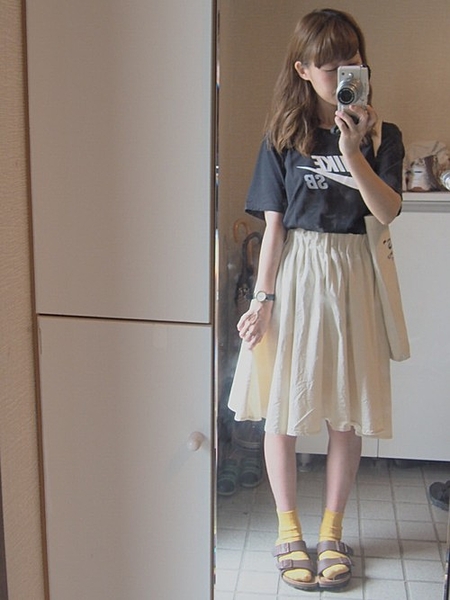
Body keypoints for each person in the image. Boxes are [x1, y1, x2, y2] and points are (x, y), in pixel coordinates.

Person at [228, 8, 404, 592]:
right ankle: (288, 531)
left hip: (355, 275)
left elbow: (387, 211)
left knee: (345, 408)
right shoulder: (283, 136)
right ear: (303, 69)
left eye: (352, 62)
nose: (343, 74)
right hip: (299, 273)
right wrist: (261, 301)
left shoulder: (381, 135)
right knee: (283, 405)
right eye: (329, 66)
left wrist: (353, 149)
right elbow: (274, 229)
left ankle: (331, 532)